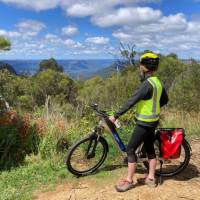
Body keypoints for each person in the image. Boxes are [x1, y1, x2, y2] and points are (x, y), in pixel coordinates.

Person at [109, 52, 168, 192]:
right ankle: (151, 178)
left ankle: (129, 180)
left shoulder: (146, 84)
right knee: (149, 149)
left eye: (140, 64)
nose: (139, 67)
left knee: (130, 149)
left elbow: (131, 100)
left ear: (143, 66)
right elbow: (165, 100)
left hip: (143, 123)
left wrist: (116, 115)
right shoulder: (158, 82)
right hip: (153, 121)